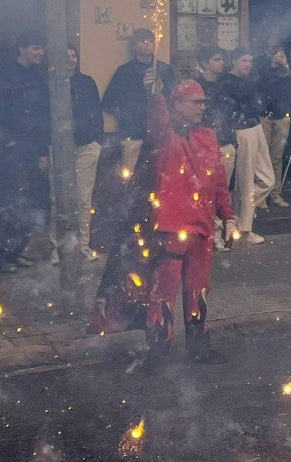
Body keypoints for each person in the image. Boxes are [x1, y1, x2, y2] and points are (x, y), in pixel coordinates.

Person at [143, 78, 238, 369]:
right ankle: (159, 352)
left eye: (203, 102)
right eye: (195, 102)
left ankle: (199, 348)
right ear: (177, 105)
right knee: (163, 293)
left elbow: (219, 180)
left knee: (198, 291)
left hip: (203, 228)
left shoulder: (208, 136)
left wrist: (229, 218)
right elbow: (156, 119)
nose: (202, 107)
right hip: (171, 228)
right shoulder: (164, 135)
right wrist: (154, 94)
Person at [0, 36, 50, 272]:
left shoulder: (37, 77)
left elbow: (41, 119)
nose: (41, 51)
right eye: (36, 46)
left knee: (31, 202)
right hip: (10, 152)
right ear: (22, 48)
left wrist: (42, 152)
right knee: (10, 202)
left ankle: (17, 251)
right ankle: (3, 257)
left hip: (32, 149)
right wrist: (7, 140)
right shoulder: (6, 74)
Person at [101, 28, 176, 173]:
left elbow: (174, 99)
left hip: (160, 133)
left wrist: (159, 89)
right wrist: (127, 116)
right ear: (134, 46)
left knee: (160, 175)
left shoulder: (164, 69)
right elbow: (109, 102)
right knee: (129, 177)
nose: (148, 44)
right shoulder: (124, 71)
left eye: (151, 41)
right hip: (132, 134)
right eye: (143, 41)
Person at [226, 48, 273, 245]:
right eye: (244, 60)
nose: (248, 65)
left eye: (250, 61)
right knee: (245, 179)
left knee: (267, 179)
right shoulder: (228, 83)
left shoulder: (247, 81)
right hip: (242, 130)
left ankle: (237, 212)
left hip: (255, 126)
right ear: (234, 62)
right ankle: (244, 228)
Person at [195, 46, 237, 248]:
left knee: (222, 191)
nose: (221, 63)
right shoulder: (197, 86)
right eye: (216, 59)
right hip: (204, 145)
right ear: (204, 63)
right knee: (206, 191)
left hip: (225, 141)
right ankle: (211, 233)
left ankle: (220, 231)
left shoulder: (226, 84)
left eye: (222, 60)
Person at [68, 44, 103, 262]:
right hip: (58, 147)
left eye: (74, 55)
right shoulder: (50, 83)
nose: (71, 59)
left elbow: (96, 111)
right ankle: (59, 248)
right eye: (66, 56)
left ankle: (82, 245)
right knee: (58, 200)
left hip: (87, 145)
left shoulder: (86, 82)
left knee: (83, 199)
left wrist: (97, 139)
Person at [257, 40, 291, 208]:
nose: (277, 54)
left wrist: (285, 66)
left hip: (281, 116)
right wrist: (271, 65)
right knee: (261, 156)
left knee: (277, 157)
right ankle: (260, 195)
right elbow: (262, 84)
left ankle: (275, 193)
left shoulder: (286, 69)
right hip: (264, 115)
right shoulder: (260, 64)